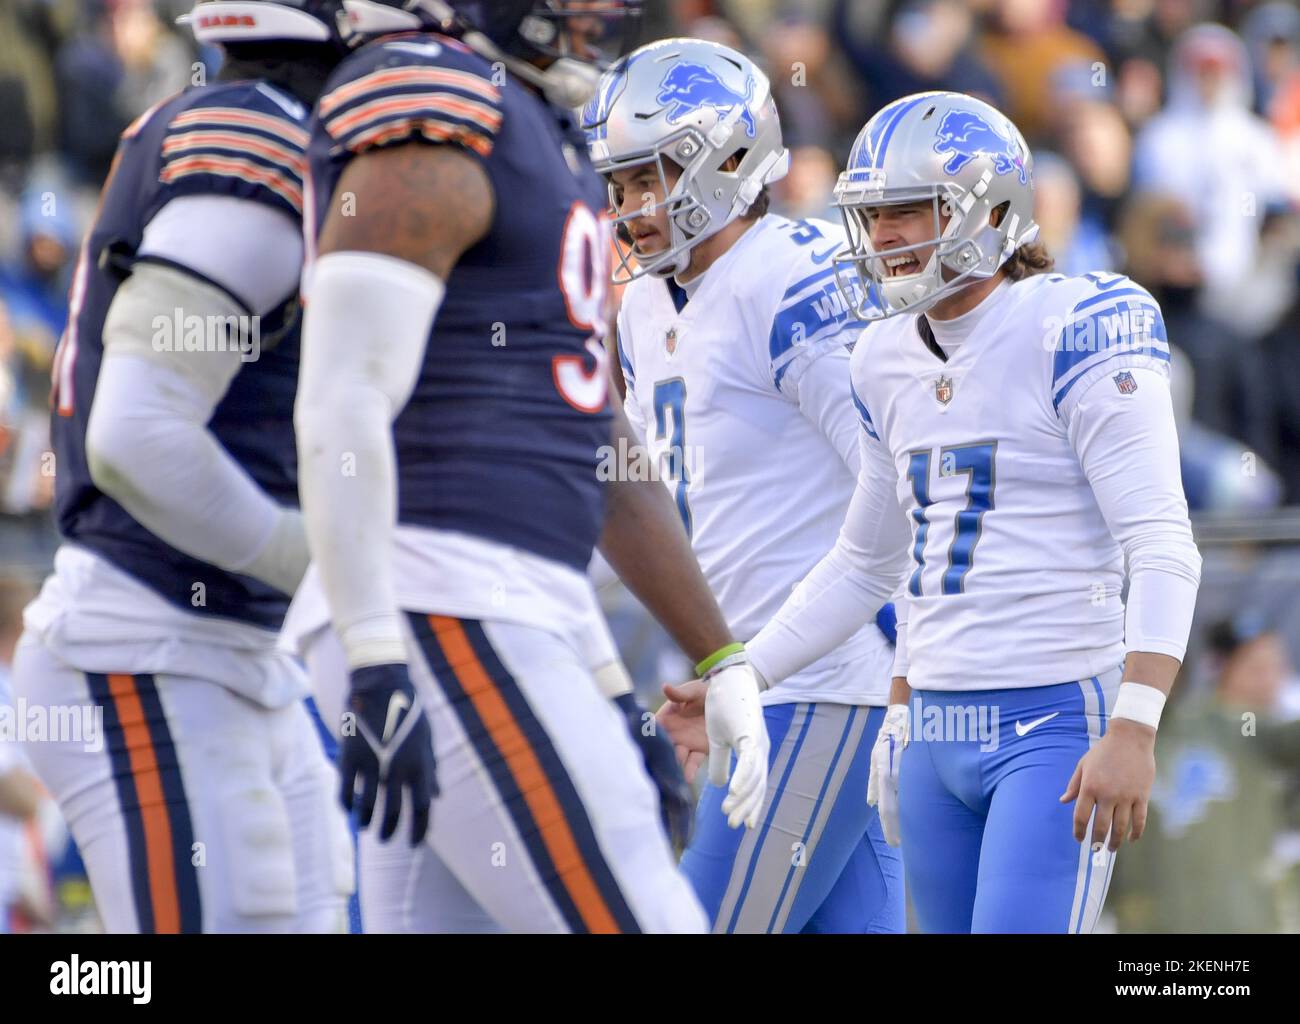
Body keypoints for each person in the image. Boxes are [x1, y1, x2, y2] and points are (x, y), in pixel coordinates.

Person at [290, 0, 766, 934]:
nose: (600, 11)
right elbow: (340, 397)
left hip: (502, 602)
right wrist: (377, 649)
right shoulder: (435, 100)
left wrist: (697, 659)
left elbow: (588, 434)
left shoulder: (539, 134)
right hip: (438, 603)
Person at [736, 90, 1202, 933]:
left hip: (1053, 720)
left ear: (991, 209)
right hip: (932, 730)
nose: (882, 238)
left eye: (908, 211)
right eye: (872, 216)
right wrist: (745, 673)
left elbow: (1162, 541)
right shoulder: (880, 354)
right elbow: (871, 563)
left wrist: (1135, 723)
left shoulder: (1075, 323)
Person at [12, 1, 356, 933]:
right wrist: (324, 572)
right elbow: (140, 436)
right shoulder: (254, 136)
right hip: (149, 643)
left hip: (232, 653)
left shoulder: (283, 134)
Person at [585, 37, 905, 934]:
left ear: (729, 160)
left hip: (825, 680)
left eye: (651, 179)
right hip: (753, 684)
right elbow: (667, 502)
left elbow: (901, 487)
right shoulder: (646, 305)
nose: (631, 209)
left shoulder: (792, 273)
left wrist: (910, 672)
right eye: (619, 185)